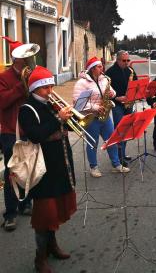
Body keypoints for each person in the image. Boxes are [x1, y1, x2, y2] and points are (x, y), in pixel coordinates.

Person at [18, 66, 76, 273]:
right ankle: (39, 257)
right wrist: (58, 118)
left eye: (51, 85)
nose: (50, 90)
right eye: (45, 87)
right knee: (45, 215)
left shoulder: (52, 105)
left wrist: (70, 117)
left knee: (56, 209)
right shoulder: (27, 108)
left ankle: (52, 246)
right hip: (42, 169)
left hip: (60, 163)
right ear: (34, 89)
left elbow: (64, 127)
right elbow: (36, 135)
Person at [73, 57, 129, 177]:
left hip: (105, 115)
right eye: (99, 67)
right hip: (91, 117)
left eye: (101, 66)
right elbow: (77, 102)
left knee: (111, 140)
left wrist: (112, 93)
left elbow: (113, 92)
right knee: (93, 143)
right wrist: (95, 107)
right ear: (92, 69)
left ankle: (116, 164)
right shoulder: (82, 83)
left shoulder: (104, 79)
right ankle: (94, 167)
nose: (102, 68)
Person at [0, 36, 32, 232]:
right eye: (24, 57)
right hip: (10, 131)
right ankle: (10, 213)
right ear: (15, 59)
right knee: (12, 172)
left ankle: (25, 203)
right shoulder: (4, 77)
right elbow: (2, 102)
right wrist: (22, 85)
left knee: (27, 168)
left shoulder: (30, 74)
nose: (28, 60)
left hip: (28, 129)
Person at [105, 50, 138, 165]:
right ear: (118, 60)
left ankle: (123, 153)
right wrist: (117, 98)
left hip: (129, 103)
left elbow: (137, 84)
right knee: (120, 130)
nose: (126, 63)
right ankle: (119, 158)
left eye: (128, 60)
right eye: (124, 60)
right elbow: (106, 92)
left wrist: (134, 95)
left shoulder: (130, 70)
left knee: (127, 130)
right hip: (118, 105)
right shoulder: (110, 72)